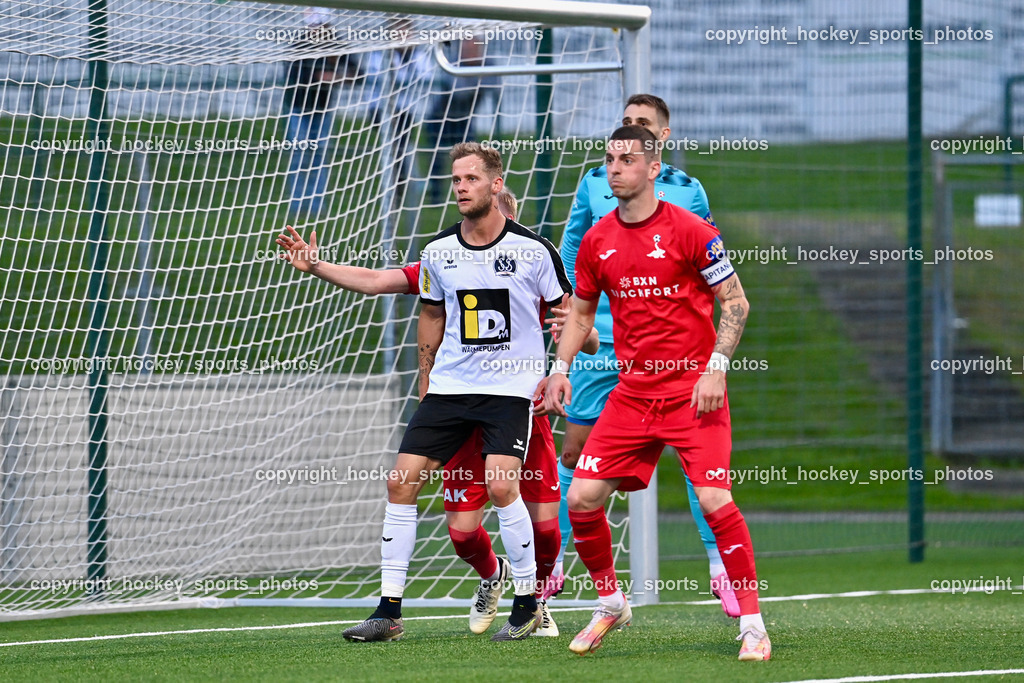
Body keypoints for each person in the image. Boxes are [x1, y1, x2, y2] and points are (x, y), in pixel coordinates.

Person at [275, 189, 597, 638]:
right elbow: (377, 279)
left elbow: (585, 333)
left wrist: (568, 349)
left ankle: (534, 602)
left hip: (518, 408)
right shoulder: (445, 257)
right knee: (461, 533)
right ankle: (478, 582)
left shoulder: (531, 259)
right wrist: (318, 266)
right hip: (457, 403)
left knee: (543, 526)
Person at [544, 126, 770, 660]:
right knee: (581, 498)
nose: (614, 168)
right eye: (609, 159)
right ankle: (611, 602)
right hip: (633, 394)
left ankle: (753, 625)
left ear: (652, 168)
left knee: (714, 500)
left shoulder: (691, 230)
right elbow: (581, 315)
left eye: (626, 159)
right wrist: (560, 368)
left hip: (694, 393)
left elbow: (736, 302)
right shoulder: (597, 240)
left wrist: (716, 368)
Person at [282, 9, 359, 217]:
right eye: (316, 26)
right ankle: (298, 204)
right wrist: (319, 77)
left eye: (323, 26)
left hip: (323, 108)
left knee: (319, 156)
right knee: (299, 156)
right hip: (299, 107)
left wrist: (337, 75)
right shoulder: (299, 43)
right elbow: (294, 74)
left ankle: (317, 205)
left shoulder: (336, 45)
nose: (319, 30)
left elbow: (357, 73)